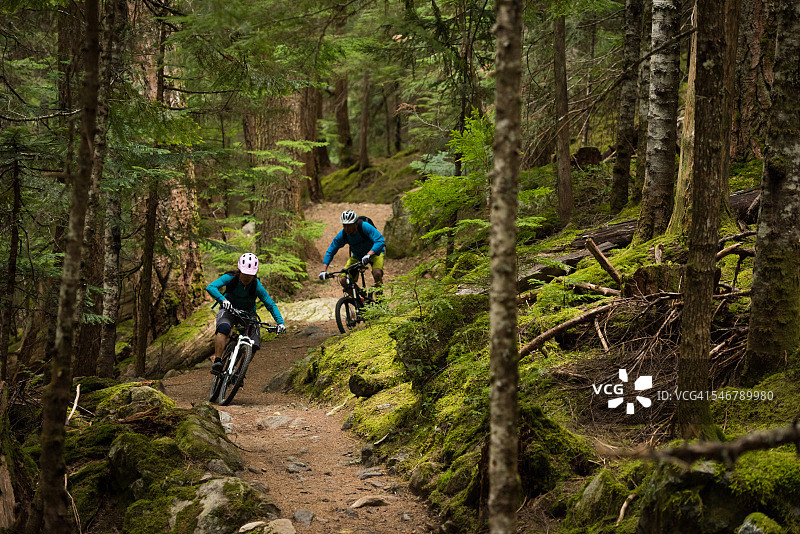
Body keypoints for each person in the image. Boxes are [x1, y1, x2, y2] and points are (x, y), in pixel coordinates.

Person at [206, 253, 286, 374]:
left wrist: (280, 323)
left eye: (251, 275)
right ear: (240, 271)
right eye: (245, 273)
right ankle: (217, 361)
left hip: (248, 315)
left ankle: (239, 372)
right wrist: (223, 300)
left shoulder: (256, 285)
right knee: (223, 328)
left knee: (254, 343)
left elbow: (270, 304)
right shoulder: (230, 277)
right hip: (229, 310)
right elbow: (211, 287)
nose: (247, 277)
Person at [319, 210, 386, 289]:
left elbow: (380, 240)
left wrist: (369, 254)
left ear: (355, 223)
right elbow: (331, 251)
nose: (347, 228)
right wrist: (323, 270)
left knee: (377, 273)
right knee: (343, 280)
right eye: (345, 225)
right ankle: (359, 299)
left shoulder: (365, 226)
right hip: (358, 256)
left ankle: (380, 299)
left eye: (349, 225)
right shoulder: (343, 235)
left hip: (375, 253)